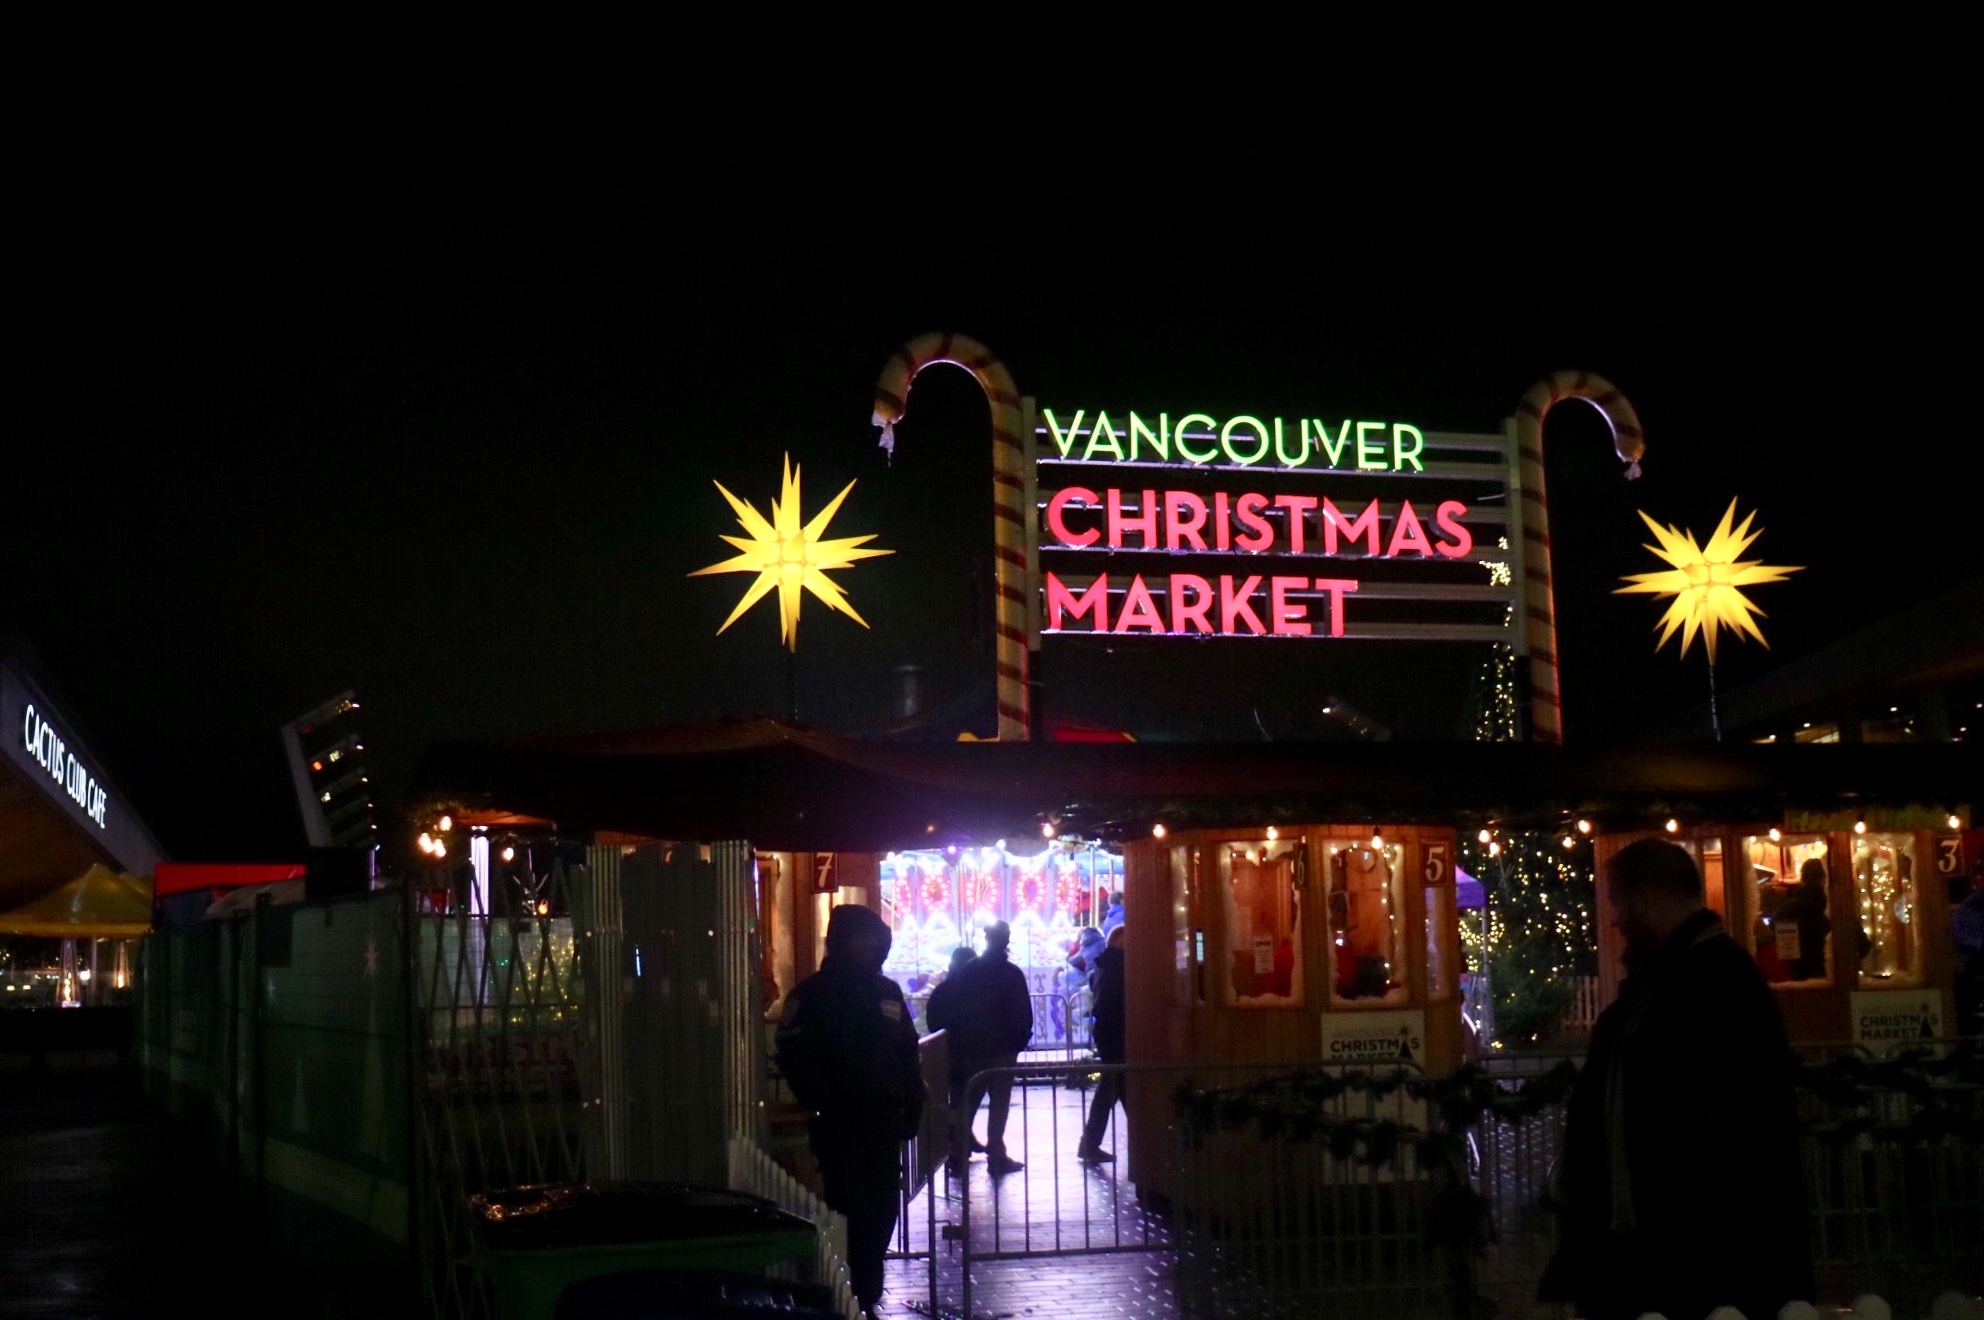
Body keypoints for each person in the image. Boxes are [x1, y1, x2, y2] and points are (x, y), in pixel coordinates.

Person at [1540, 838, 1812, 1320]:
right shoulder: (1690, 984)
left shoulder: (1695, 990)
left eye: (1618, 902)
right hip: (1679, 1258)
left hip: (1687, 1265)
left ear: (1646, 898)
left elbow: (1704, 1136)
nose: (1616, 919)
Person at [774, 904, 925, 1316]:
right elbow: (792, 1050)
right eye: (858, 941)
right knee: (845, 1202)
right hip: (839, 1119)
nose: (866, 948)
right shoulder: (811, 994)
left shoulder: (886, 992)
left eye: (872, 941)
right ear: (839, 943)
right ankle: (851, 1288)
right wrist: (820, 1097)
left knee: (881, 1203)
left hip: (883, 1118)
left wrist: (913, 1099)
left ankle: (867, 1284)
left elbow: (906, 1050)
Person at [944, 920, 1033, 1175]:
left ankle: (958, 1153)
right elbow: (1022, 1012)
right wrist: (1018, 1040)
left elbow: (957, 1007)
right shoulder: (1012, 974)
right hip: (1002, 1049)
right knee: (999, 1105)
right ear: (1005, 941)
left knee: (968, 1102)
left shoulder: (970, 971)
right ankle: (996, 1155)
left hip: (973, 1048)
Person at [1078, 924, 1127, 1164]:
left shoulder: (1105, 966)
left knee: (1116, 1086)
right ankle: (1090, 1144)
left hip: (1109, 1033)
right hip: (1116, 1034)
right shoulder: (1118, 967)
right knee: (1114, 1086)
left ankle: (1090, 1143)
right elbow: (1111, 1004)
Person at [1772, 858, 1833, 980]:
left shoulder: (1786, 910)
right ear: (1823, 879)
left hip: (1793, 976)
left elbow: (1772, 937)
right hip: (1825, 977)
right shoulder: (1832, 911)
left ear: (1802, 879)